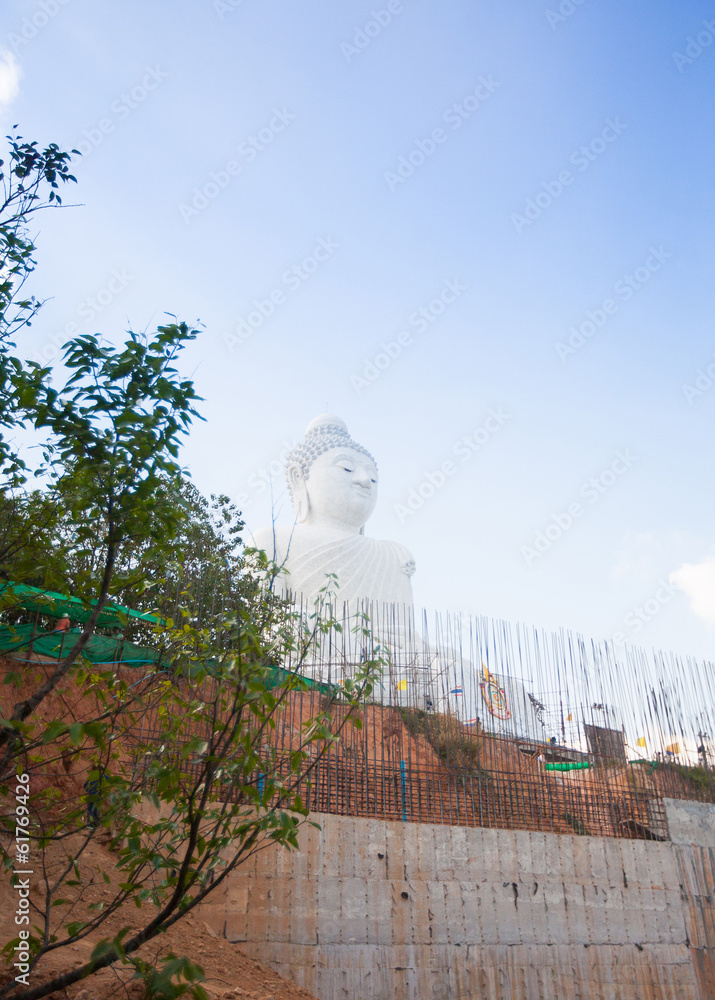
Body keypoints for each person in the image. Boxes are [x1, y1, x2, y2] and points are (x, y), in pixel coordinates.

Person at [252, 414, 416, 610]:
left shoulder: (392, 555)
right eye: (346, 468)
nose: (364, 480)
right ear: (298, 477)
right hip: (306, 638)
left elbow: (403, 636)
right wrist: (294, 621)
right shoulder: (271, 540)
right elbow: (262, 618)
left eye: (373, 478)